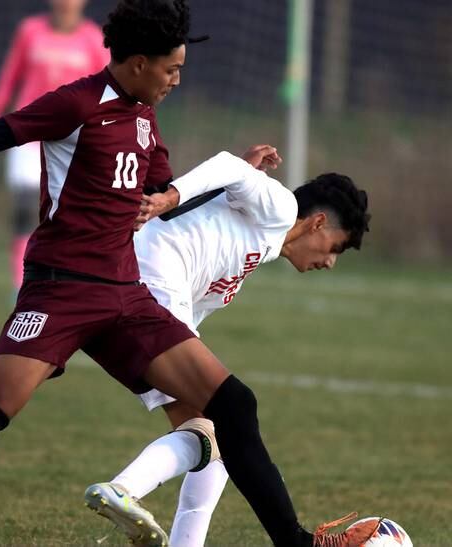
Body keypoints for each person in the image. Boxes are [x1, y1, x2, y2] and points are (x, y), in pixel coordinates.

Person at [0, 1, 378, 546]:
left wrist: (239, 187)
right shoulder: (75, 105)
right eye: (172, 69)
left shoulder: (145, 119)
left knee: (234, 406)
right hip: (61, 289)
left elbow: (165, 201)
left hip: (127, 297)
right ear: (139, 64)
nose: (176, 80)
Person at [82, 147, 372, 547]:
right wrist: (170, 196)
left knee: (217, 435)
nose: (330, 262)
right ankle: (122, 490)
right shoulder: (283, 209)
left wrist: (235, 184)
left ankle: (138, 504)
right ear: (319, 222)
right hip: (146, 288)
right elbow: (226, 166)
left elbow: (222, 192)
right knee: (232, 415)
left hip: (136, 293)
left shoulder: (261, 238)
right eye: (336, 248)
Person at [0, 0, 108, 289]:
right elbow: (10, 75)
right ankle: (22, 282)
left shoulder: (94, 39)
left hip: (73, 139)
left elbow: (107, 88)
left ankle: (67, 279)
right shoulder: (30, 31)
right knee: (27, 208)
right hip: (28, 132)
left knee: (70, 213)